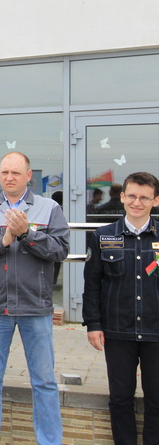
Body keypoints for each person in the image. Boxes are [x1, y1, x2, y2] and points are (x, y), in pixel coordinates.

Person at [0, 151, 69, 445]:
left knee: (44, 381)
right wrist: (3, 240)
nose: (9, 178)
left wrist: (27, 235)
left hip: (36, 308)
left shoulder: (49, 208)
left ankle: (50, 440)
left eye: (16, 173)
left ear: (29, 176)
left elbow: (60, 250)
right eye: (4, 172)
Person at [82, 171, 159, 445]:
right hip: (117, 332)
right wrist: (93, 324)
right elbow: (92, 284)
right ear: (123, 197)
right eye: (132, 196)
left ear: (156, 201)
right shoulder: (102, 236)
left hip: (156, 332)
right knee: (120, 399)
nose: (137, 202)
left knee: (157, 400)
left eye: (144, 198)